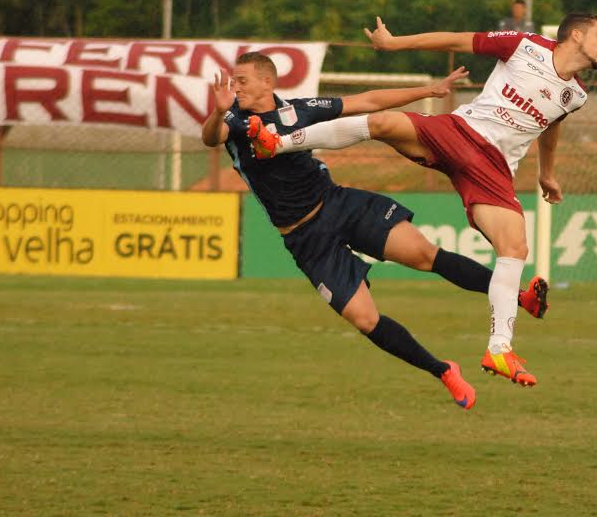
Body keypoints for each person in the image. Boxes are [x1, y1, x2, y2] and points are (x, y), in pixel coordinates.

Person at [249, 13, 597, 385]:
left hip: (494, 170)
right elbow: (455, 39)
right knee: (384, 124)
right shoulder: (526, 45)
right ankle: (278, 142)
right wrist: (394, 43)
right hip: (459, 132)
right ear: (576, 35)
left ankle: (500, 349)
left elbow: (551, 125)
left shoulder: (576, 95)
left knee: (515, 246)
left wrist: (546, 172)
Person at [202, 51, 549, 410]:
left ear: (266, 82)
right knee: (365, 319)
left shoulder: (300, 110)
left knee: (424, 255)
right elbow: (212, 137)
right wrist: (217, 111)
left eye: (241, 80)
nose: (235, 87)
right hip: (305, 238)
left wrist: (429, 89)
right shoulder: (233, 121)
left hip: (339, 204)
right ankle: (443, 370)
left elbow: (366, 102)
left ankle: (521, 297)